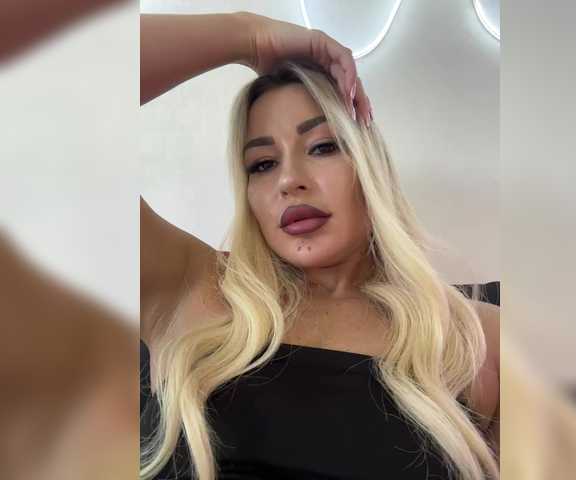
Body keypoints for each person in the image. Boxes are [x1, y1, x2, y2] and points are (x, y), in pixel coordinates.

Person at [139, 11, 500, 480]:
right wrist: (250, 36)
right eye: (262, 164)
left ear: (369, 167)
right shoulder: (192, 289)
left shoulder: (472, 337)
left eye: (323, 147)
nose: (289, 180)